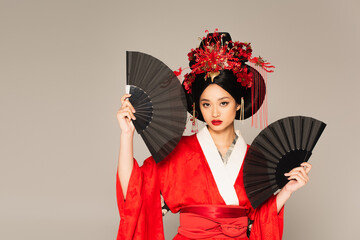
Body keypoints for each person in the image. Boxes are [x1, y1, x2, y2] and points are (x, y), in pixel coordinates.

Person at [115, 31, 312, 240]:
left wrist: (287, 191)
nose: (215, 113)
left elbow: (260, 219)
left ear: (238, 103)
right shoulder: (176, 151)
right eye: (206, 104)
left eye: (224, 103)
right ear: (198, 106)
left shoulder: (255, 158)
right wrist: (127, 135)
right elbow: (134, 192)